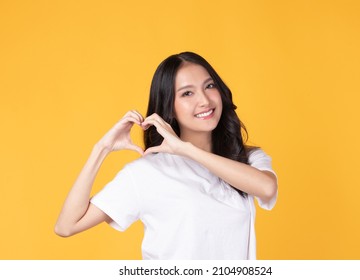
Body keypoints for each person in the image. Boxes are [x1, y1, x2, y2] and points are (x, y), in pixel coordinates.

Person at [55, 51, 278, 260]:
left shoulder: (246, 159)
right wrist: (101, 148)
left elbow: (267, 188)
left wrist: (186, 149)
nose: (204, 100)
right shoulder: (147, 173)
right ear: (169, 107)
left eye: (209, 86)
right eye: (187, 93)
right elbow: (66, 226)